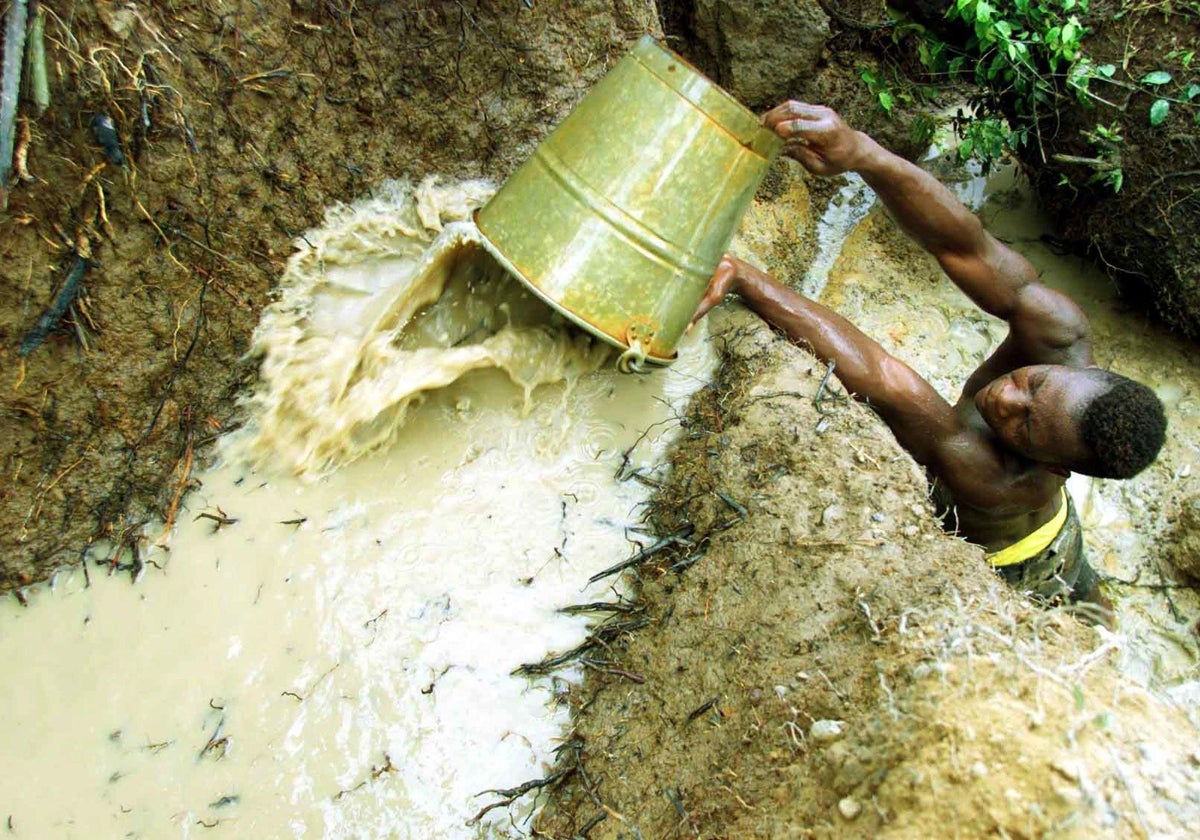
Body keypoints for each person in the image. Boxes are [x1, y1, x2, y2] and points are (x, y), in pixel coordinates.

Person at [689, 102, 1167, 623]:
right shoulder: (1061, 331)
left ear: (1053, 464)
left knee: (1075, 615)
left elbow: (883, 377)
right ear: (1082, 370)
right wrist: (863, 153)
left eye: (1024, 426)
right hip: (1055, 524)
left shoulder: (985, 474)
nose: (1004, 398)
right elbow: (965, 247)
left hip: (1012, 562)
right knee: (1086, 593)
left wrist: (746, 277)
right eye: (1033, 383)